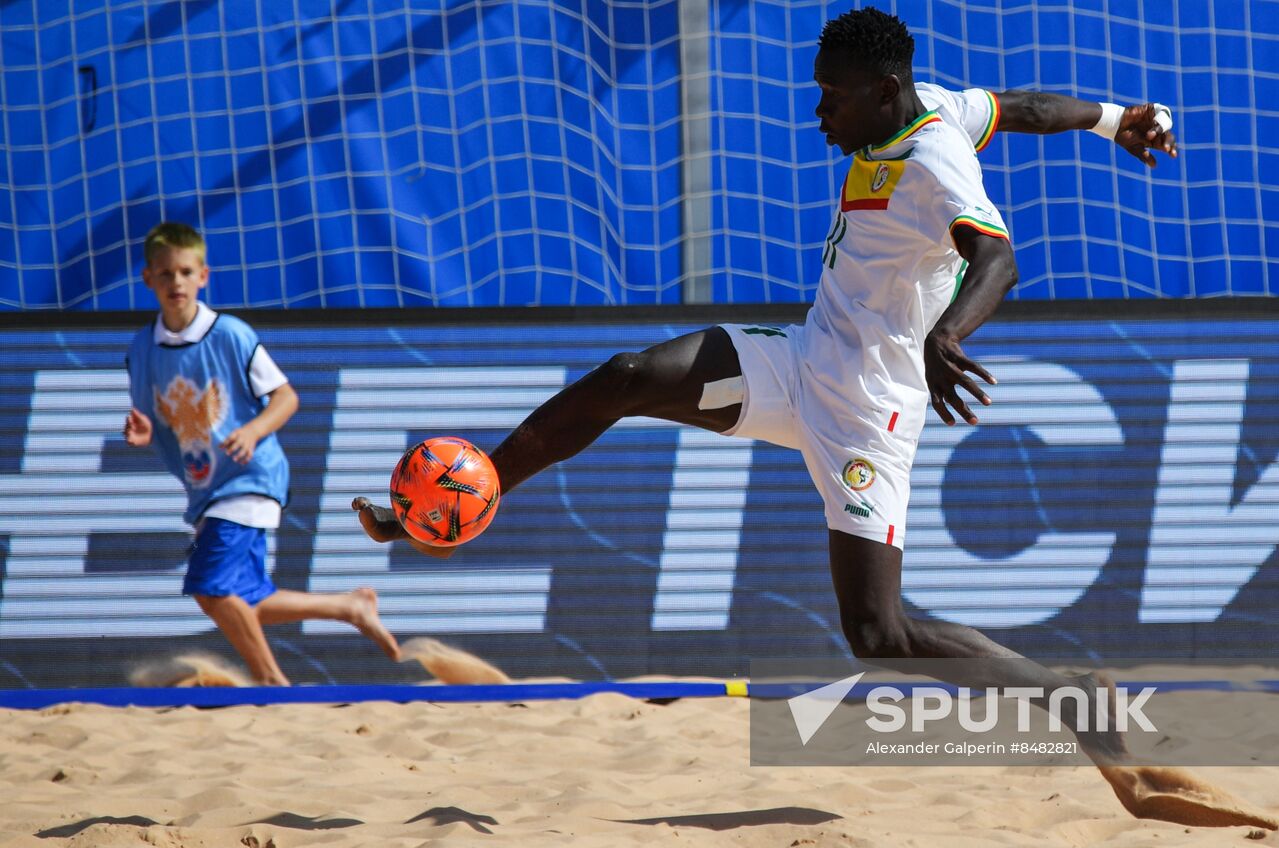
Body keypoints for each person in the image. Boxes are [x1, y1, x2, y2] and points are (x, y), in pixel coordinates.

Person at [351, 8, 1177, 753]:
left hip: (868, 413)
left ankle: (1063, 698)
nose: (820, 111)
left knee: (877, 634)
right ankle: (480, 489)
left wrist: (945, 335)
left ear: (883, 93)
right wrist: (1113, 120)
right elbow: (1025, 109)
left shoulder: (934, 163)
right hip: (799, 362)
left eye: (834, 97)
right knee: (628, 376)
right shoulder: (931, 102)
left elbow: (998, 260)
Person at [125, 221, 400, 686]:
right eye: (166, 273)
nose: (176, 282)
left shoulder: (229, 334)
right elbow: (152, 419)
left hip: (251, 477)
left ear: (203, 276)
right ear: (148, 278)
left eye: (186, 272)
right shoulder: (141, 349)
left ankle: (271, 682)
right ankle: (347, 606)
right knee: (245, 600)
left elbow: (287, 398)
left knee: (209, 587)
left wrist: (252, 431)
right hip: (208, 488)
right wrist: (145, 433)